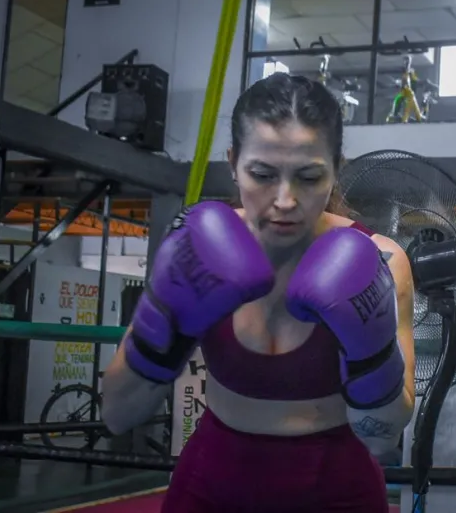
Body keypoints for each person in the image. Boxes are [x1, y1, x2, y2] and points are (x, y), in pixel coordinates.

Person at [100, 73, 416, 512]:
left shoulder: (381, 261)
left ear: (336, 167)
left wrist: (371, 353)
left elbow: (382, 437)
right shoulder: (197, 251)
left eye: (308, 177)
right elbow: (116, 414)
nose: (284, 199)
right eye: (263, 174)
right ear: (233, 163)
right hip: (212, 480)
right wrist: (162, 332)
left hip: (338, 487)